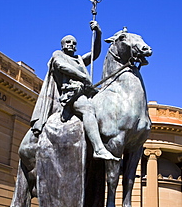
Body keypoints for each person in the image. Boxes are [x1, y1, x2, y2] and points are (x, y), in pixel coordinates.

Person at [32, 21, 119, 161]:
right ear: (62, 45)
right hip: (70, 94)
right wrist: (82, 76)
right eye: (68, 42)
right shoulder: (58, 55)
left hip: (85, 91)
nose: (71, 45)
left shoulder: (78, 59)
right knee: (88, 109)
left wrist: (98, 32)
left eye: (73, 43)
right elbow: (61, 66)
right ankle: (98, 149)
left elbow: (95, 53)